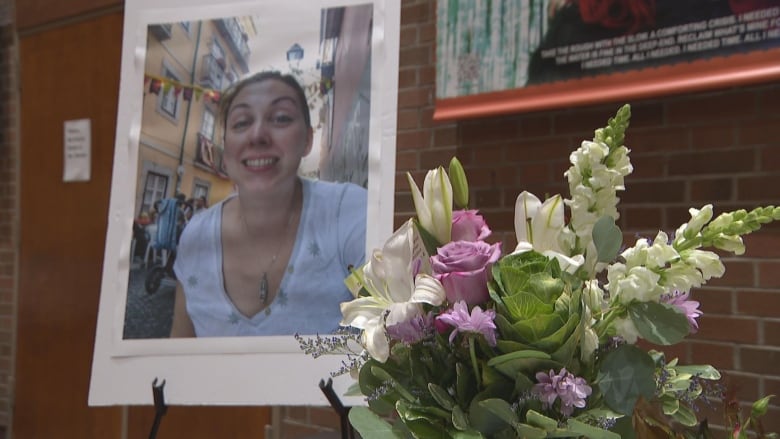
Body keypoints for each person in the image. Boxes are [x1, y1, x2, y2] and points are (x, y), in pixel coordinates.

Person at [170, 71, 367, 337]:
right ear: (225, 148)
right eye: (241, 123)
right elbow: (177, 358)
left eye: (281, 118)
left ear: (307, 140)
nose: (258, 135)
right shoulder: (196, 236)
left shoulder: (348, 212)